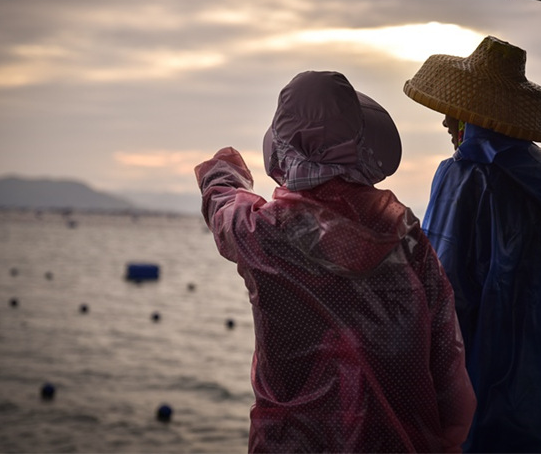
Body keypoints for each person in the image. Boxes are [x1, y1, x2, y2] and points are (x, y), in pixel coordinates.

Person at [194, 70, 476, 453]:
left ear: (282, 146)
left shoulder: (264, 233)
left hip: (292, 443)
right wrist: (448, 434)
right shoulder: (403, 231)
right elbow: (444, 345)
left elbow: (224, 209)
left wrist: (222, 173)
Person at [404, 36, 541, 453]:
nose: (447, 123)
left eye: (454, 113)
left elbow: (443, 287)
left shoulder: (465, 176)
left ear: (472, 118)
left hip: (487, 391)